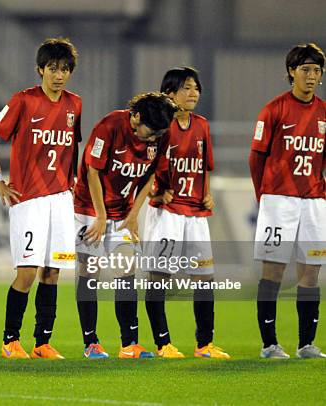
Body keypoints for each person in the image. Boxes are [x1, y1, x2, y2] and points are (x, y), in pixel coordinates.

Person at [0, 37, 82, 359]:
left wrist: (74, 179)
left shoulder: (74, 104)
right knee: (27, 271)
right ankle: (10, 341)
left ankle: (42, 343)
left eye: (65, 69)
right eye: (53, 68)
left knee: (53, 272)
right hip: (29, 199)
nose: (59, 75)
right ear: (40, 69)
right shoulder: (23, 101)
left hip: (60, 199)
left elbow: (73, 145)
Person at [74, 92, 178, 359]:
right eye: (150, 132)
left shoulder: (160, 133)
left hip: (122, 212)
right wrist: (99, 216)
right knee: (90, 272)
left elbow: (151, 172)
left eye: (159, 134)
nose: (154, 138)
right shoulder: (109, 127)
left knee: (127, 272)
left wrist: (134, 214)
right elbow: (92, 171)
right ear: (136, 116)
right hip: (88, 208)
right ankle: (91, 343)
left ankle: (129, 344)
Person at [142, 67, 229, 359]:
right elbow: (146, 166)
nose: (193, 94)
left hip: (195, 214)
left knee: (204, 278)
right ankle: (162, 343)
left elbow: (204, 165)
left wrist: (206, 194)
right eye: (186, 88)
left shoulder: (202, 125)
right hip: (167, 213)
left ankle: (204, 344)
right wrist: (156, 191)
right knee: (160, 277)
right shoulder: (160, 127)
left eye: (196, 88)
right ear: (169, 93)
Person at [249, 43, 326, 359]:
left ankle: (306, 344)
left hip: (314, 202)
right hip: (279, 201)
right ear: (291, 72)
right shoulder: (274, 109)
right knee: (274, 272)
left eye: (317, 70)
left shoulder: (324, 112)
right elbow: (256, 158)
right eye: (305, 69)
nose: (311, 76)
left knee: (311, 272)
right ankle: (270, 344)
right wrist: (263, 196)